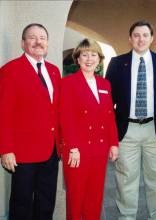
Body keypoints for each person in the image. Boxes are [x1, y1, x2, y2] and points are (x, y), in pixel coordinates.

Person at [106, 20, 156, 220]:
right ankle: (127, 216)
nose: (141, 39)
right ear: (130, 39)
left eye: (145, 35)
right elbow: (107, 101)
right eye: (136, 35)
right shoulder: (117, 64)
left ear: (151, 38)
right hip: (126, 130)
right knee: (126, 177)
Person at [0, 23, 61, 220]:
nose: (38, 42)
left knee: (46, 201)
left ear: (47, 43)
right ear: (23, 43)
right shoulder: (10, 70)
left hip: (51, 151)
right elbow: (4, 112)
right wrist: (5, 149)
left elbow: (57, 110)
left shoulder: (53, 71)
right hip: (23, 152)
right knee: (21, 203)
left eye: (42, 38)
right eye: (32, 37)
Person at [59, 38, 119, 220]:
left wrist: (114, 143)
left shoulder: (104, 85)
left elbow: (109, 116)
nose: (89, 59)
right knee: (76, 199)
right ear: (77, 59)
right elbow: (65, 117)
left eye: (93, 54)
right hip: (77, 151)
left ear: (99, 60)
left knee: (95, 198)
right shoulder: (68, 83)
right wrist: (73, 147)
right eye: (84, 55)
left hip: (99, 149)